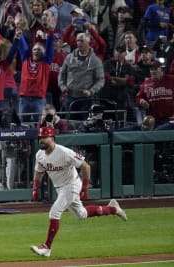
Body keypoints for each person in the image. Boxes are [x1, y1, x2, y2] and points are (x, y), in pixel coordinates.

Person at [30, 126, 127, 257]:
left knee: (55, 211)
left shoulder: (64, 152)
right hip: (60, 188)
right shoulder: (40, 155)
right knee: (81, 214)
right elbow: (39, 172)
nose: (41, 140)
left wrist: (85, 187)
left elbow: (86, 166)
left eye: (44, 137)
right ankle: (113, 209)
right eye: (40, 138)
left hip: (72, 185)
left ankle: (47, 247)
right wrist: (35, 188)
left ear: (52, 138)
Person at [58, 32, 105, 120]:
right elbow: (62, 74)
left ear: (88, 42)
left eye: (81, 41)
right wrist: (62, 85)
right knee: (68, 123)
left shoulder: (96, 61)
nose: (79, 43)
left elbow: (100, 80)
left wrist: (91, 91)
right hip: (70, 97)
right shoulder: (69, 58)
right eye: (77, 41)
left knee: (86, 123)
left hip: (87, 99)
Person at [135, 61, 174, 130]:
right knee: (137, 128)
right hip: (153, 120)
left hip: (170, 119)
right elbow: (138, 98)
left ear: (161, 69)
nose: (153, 71)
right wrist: (142, 101)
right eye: (151, 69)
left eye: (155, 69)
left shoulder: (171, 79)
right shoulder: (146, 83)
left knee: (158, 131)